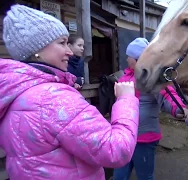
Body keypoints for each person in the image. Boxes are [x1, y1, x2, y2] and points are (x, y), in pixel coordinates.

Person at [0, 4, 139, 179]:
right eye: (62, 43)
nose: (69, 52)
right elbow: (116, 150)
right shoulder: (53, 98)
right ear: (36, 50)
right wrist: (126, 100)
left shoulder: (12, 92)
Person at [113, 38, 188, 180]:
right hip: (123, 138)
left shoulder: (152, 79)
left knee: (145, 176)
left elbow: (168, 94)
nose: (126, 58)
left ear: (137, 59)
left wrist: (178, 108)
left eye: (128, 56)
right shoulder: (124, 77)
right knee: (119, 176)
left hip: (143, 138)